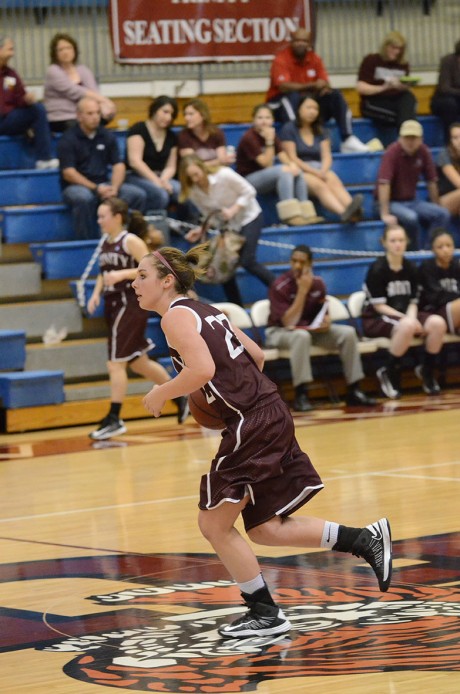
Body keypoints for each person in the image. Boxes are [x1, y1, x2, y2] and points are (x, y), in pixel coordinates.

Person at [131, 244, 392, 639]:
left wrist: (163, 391)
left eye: (142, 276)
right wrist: (230, 390)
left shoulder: (175, 319)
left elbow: (202, 369)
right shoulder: (208, 309)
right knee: (266, 528)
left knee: (213, 523)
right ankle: (364, 539)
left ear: (167, 281)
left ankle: (265, 613)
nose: (134, 283)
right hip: (269, 411)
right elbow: (256, 355)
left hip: (251, 422)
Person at [86, 197, 188, 439]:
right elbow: (104, 273)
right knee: (138, 362)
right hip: (113, 304)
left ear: (117, 217)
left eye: (103, 216)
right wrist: (96, 293)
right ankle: (180, 395)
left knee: (115, 363)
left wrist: (121, 274)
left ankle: (114, 417)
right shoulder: (105, 242)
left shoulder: (130, 241)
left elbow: (151, 269)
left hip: (130, 304)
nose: (99, 220)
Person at [265, 245, 377, 412]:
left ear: (310, 263)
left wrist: (326, 323)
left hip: (310, 331)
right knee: (300, 336)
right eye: (294, 261)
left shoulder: (318, 284)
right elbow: (289, 322)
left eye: (301, 262)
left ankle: (354, 389)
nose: (297, 266)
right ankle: (301, 394)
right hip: (280, 332)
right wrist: (302, 292)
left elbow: (323, 315)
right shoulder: (280, 285)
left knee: (348, 333)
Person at [362, 225, 446, 398]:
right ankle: (390, 371)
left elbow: (414, 301)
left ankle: (427, 370)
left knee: (437, 323)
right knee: (407, 325)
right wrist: (407, 319)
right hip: (377, 317)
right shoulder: (377, 269)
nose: (397, 245)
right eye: (393, 241)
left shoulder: (411, 268)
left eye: (401, 240)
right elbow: (379, 306)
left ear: (406, 242)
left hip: (405, 313)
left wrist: (412, 317)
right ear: (384, 243)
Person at [178, 154, 274, 306]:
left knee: (248, 261)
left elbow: (249, 191)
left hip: (249, 216)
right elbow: (208, 213)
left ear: (202, 168)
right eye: (190, 177)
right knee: (225, 268)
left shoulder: (224, 175)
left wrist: (233, 210)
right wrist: (201, 229)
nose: (195, 179)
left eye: (196, 174)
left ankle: (279, 290)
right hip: (228, 226)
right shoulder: (193, 191)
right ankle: (237, 306)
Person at [266, 27, 368, 153]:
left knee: (334, 94)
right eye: (297, 40)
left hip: (305, 103)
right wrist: (313, 85)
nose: (300, 43)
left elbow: (325, 82)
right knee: (291, 96)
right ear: (291, 42)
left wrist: (324, 87)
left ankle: (347, 139)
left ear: (309, 44)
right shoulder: (281, 59)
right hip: (279, 104)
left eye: (304, 41)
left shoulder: (315, 58)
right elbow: (283, 86)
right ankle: (296, 141)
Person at [57, 96, 147, 239]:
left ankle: (128, 240)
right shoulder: (68, 139)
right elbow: (69, 173)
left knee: (137, 195)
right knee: (83, 198)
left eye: (98, 113)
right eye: (90, 113)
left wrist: (114, 188)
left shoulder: (107, 136)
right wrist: (95, 188)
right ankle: (86, 243)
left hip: (104, 184)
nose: (95, 117)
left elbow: (118, 165)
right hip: (76, 186)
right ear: (79, 116)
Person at [280, 95, 364, 223]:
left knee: (333, 179)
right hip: (300, 169)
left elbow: (326, 156)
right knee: (320, 186)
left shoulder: (321, 130)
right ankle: (343, 213)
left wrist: (323, 171)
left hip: (319, 167)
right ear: (299, 109)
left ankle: (353, 209)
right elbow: (292, 158)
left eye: (315, 108)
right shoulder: (289, 129)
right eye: (308, 107)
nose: (312, 111)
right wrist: (316, 173)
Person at [236, 103, 323, 226]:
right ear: (253, 120)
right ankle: (290, 216)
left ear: (272, 120)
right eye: (260, 118)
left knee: (295, 170)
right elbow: (267, 164)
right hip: (248, 180)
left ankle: (306, 214)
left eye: (267, 118)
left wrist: (293, 166)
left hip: (266, 177)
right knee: (284, 171)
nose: (264, 122)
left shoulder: (272, 134)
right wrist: (269, 141)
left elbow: (283, 156)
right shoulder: (249, 138)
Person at [375, 119, 451, 249]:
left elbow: (431, 181)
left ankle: (429, 250)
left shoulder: (424, 151)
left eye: (414, 138)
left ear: (420, 139)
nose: (410, 142)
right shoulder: (392, 152)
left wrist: (435, 204)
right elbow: (384, 183)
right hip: (391, 201)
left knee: (442, 214)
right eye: (407, 138)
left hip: (412, 201)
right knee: (411, 218)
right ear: (400, 138)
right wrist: (385, 213)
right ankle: (414, 253)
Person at [0, 35, 58, 169]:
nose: (13, 53)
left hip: (7, 120)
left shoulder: (10, 75)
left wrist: (27, 100)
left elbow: (18, 97)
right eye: (10, 49)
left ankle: (45, 159)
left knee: (37, 109)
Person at [44, 32, 116, 133]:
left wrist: (104, 107)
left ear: (75, 50)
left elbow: (94, 92)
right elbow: (74, 91)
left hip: (84, 116)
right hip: (61, 118)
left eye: (69, 48)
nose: (65, 52)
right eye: (61, 49)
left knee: (106, 114)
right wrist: (105, 100)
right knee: (82, 125)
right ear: (55, 53)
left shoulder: (83, 70)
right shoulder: (53, 71)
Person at [125, 95, 181, 213]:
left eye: (171, 114)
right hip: (136, 175)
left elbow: (171, 166)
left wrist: (164, 180)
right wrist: (157, 182)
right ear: (155, 110)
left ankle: (182, 227)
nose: (168, 117)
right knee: (160, 194)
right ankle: (148, 226)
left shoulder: (171, 136)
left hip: (161, 175)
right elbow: (135, 162)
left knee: (180, 190)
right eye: (165, 112)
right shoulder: (138, 129)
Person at [356, 31, 417, 133]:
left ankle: (408, 132)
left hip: (396, 99)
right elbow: (361, 87)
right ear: (385, 46)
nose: (396, 52)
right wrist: (384, 87)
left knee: (409, 97)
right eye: (393, 48)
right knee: (404, 116)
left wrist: (403, 86)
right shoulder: (371, 60)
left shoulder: (403, 65)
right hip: (375, 100)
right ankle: (407, 133)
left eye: (399, 49)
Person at [418, 228, 460, 336]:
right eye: (440, 247)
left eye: (448, 245)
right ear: (433, 249)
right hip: (432, 312)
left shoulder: (457, 266)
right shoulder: (427, 268)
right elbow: (436, 297)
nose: (445, 250)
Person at [178, 98, 235, 166]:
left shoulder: (216, 132)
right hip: (195, 174)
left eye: (191, 114)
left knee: (227, 173)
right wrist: (217, 162)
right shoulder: (184, 136)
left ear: (203, 115)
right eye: (185, 114)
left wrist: (223, 160)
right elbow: (193, 166)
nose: (186, 118)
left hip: (217, 171)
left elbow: (223, 160)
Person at [431, 39, 460, 143]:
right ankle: (450, 143)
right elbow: (444, 88)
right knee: (450, 104)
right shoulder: (448, 61)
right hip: (443, 101)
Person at [436, 122, 460, 218]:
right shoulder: (444, 155)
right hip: (443, 200)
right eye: (455, 138)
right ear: (450, 140)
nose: (459, 141)